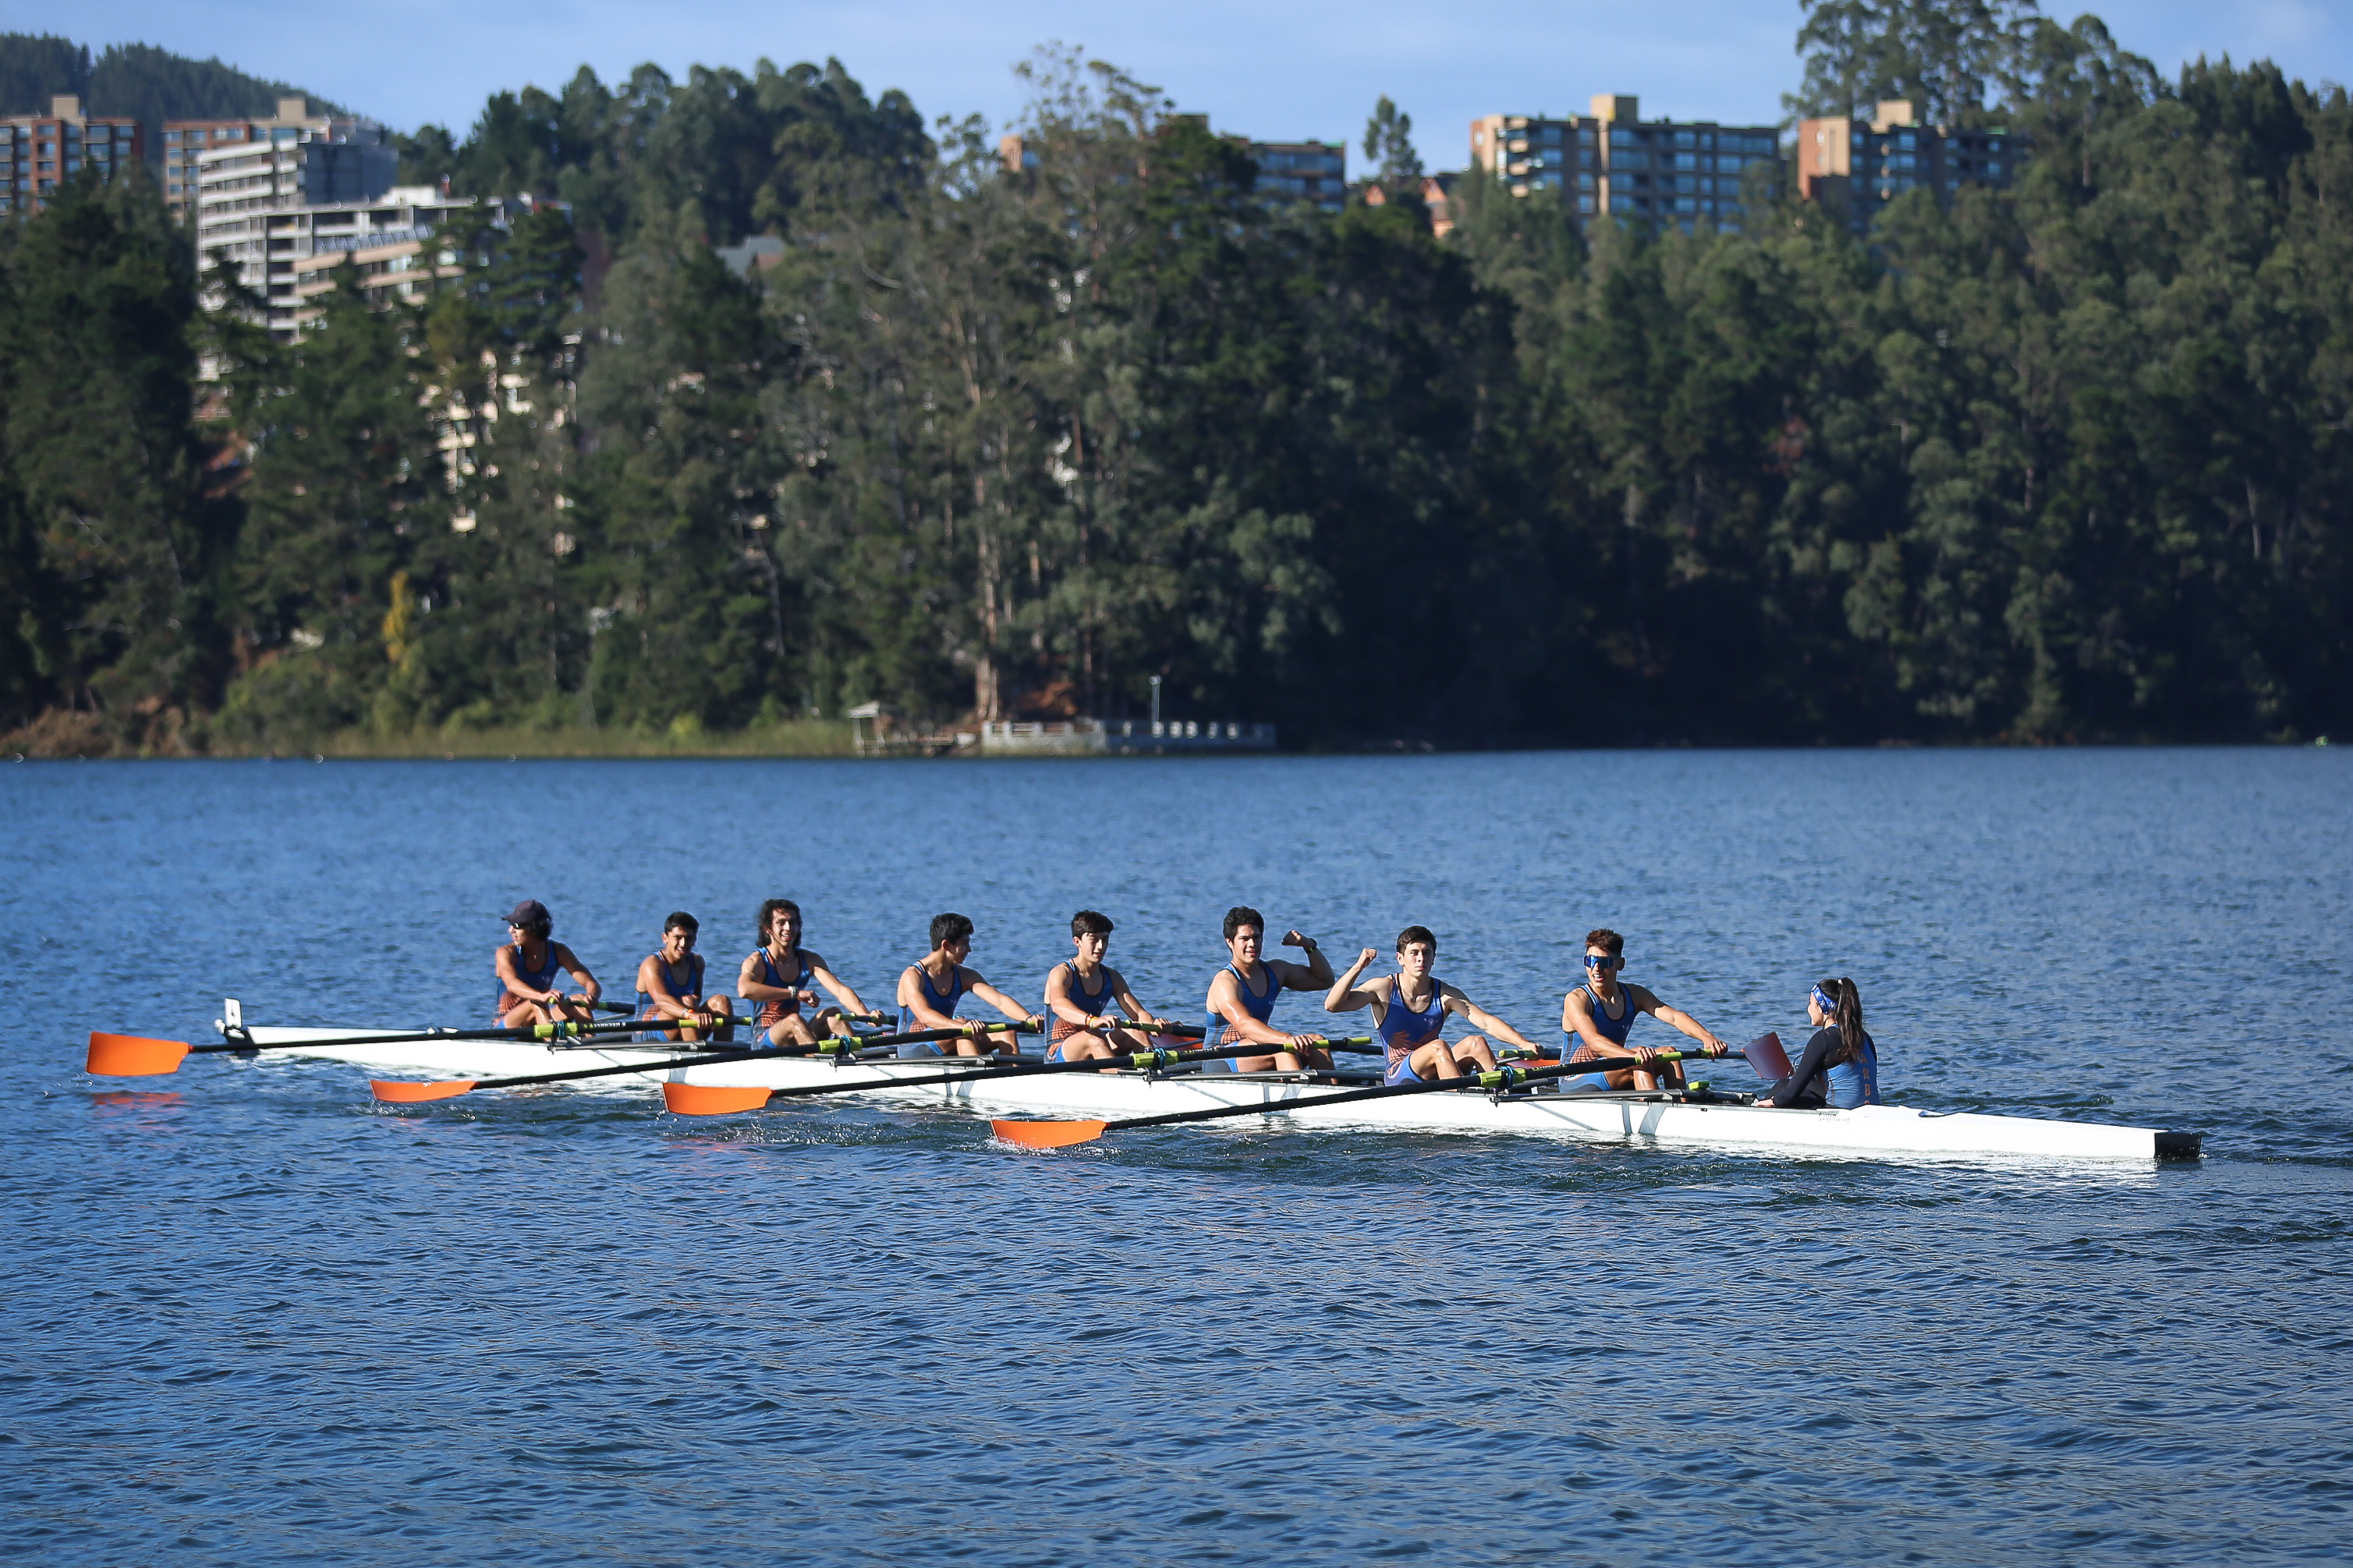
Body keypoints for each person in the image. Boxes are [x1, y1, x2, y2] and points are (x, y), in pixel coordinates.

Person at [1324, 926, 1543, 1085]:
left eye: (1426, 953)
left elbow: (1486, 1022)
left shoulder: (1445, 994)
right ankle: (1464, 1104)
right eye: (1414, 953)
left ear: (1434, 959)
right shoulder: (1383, 988)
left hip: (1438, 1067)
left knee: (1476, 1042)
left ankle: (1501, 1095)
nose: (1421, 959)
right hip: (1399, 1075)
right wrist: (1359, 967)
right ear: (1400, 959)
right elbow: (1332, 1005)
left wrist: (1523, 1043)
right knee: (1438, 1046)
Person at [1557, 928, 1731, 1093]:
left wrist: (1707, 1038)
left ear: (1621, 964)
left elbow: (1675, 1018)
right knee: (1638, 1061)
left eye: (1605, 962)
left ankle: (1682, 1106)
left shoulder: (1635, 994)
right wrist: (1635, 1055)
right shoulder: (1577, 999)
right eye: (1590, 961)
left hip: (1613, 1069)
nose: (1596, 969)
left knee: (1670, 1054)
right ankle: (1655, 1111)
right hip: (1575, 1078)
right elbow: (1594, 1042)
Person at [1203, 906, 1334, 1074]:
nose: (1252, 944)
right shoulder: (1225, 981)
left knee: (1318, 1042)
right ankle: (1299, 1094)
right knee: (1282, 1047)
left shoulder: (1276, 971)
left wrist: (1308, 946)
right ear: (1230, 942)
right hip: (1218, 1058)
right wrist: (1286, 1038)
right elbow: (1244, 1025)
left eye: (1256, 937)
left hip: (1257, 1050)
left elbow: (1324, 980)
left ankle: (1330, 1094)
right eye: (1245, 939)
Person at [896, 913, 1043, 1057]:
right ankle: (978, 1076)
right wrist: (961, 1026)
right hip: (914, 1046)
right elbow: (925, 1016)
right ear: (946, 945)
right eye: (964, 944)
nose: (970, 949)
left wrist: (1028, 1018)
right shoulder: (913, 976)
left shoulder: (964, 975)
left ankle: (1010, 1076)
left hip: (949, 1036)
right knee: (962, 1028)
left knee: (1006, 1033)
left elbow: (1000, 1001)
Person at [737, 899, 873, 1049]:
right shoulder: (757, 961)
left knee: (833, 1014)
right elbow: (744, 990)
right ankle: (818, 1064)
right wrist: (793, 993)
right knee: (794, 1021)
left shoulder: (810, 960)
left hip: (798, 1032)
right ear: (767, 928)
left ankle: (857, 1058)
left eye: (793, 922)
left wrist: (867, 1016)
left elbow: (841, 991)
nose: (788, 928)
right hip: (765, 1040)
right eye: (781, 923)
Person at [1042, 910, 1173, 1064]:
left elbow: (1138, 1014)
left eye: (1105, 940)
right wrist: (1092, 1021)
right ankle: (1120, 1079)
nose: (1100, 947)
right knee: (1092, 1036)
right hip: (1058, 1054)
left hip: (1094, 1039)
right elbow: (1059, 1005)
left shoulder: (1112, 977)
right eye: (1094, 940)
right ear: (1077, 942)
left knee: (1133, 1030)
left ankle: (1154, 1072)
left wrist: (1154, 1024)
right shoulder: (1062, 973)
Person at [1753, 978, 1880, 1109]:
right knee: (1793, 1083)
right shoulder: (1865, 1037)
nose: (1808, 1009)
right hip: (1873, 1109)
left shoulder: (1823, 1039)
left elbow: (1790, 1094)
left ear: (1822, 1008)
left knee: (1783, 1086)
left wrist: (1774, 1101)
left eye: (1810, 1003)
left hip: (1841, 1112)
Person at [492, 900, 601, 1025]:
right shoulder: (505, 953)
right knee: (537, 1002)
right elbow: (512, 984)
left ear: (534, 928)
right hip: (508, 1026)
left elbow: (590, 983)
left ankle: (588, 1042)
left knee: (579, 1001)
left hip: (541, 1019)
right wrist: (541, 996)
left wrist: (592, 997)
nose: (510, 930)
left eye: (517, 926)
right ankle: (551, 1041)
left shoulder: (560, 952)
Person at [635, 911, 735, 1042]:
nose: (683, 944)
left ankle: (723, 1055)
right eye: (678, 937)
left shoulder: (697, 962)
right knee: (688, 1002)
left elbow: (697, 998)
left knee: (722, 1001)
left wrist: (690, 1012)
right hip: (647, 1031)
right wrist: (688, 1013)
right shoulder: (652, 964)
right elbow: (661, 1000)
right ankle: (698, 1056)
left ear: (695, 940)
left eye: (689, 938)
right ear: (665, 938)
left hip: (685, 1023)